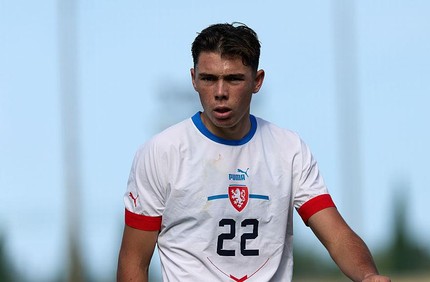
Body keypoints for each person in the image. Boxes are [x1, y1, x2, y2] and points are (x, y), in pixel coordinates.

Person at [117, 22, 390, 282]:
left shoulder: (289, 149)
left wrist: (367, 275)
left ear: (257, 81)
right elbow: (135, 260)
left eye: (234, 79)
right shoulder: (162, 152)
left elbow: (337, 236)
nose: (220, 92)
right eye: (209, 79)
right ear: (194, 79)